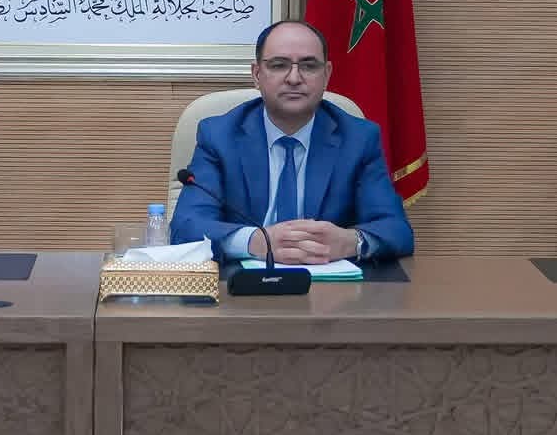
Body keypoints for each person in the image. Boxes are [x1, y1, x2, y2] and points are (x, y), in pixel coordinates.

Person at [171, 20, 415, 264]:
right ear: (257, 74)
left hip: (330, 283)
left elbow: (397, 230)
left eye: (309, 66)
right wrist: (256, 241)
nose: (294, 78)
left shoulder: (358, 139)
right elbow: (185, 227)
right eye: (279, 65)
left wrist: (351, 242)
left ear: (326, 74)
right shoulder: (219, 136)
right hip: (241, 282)